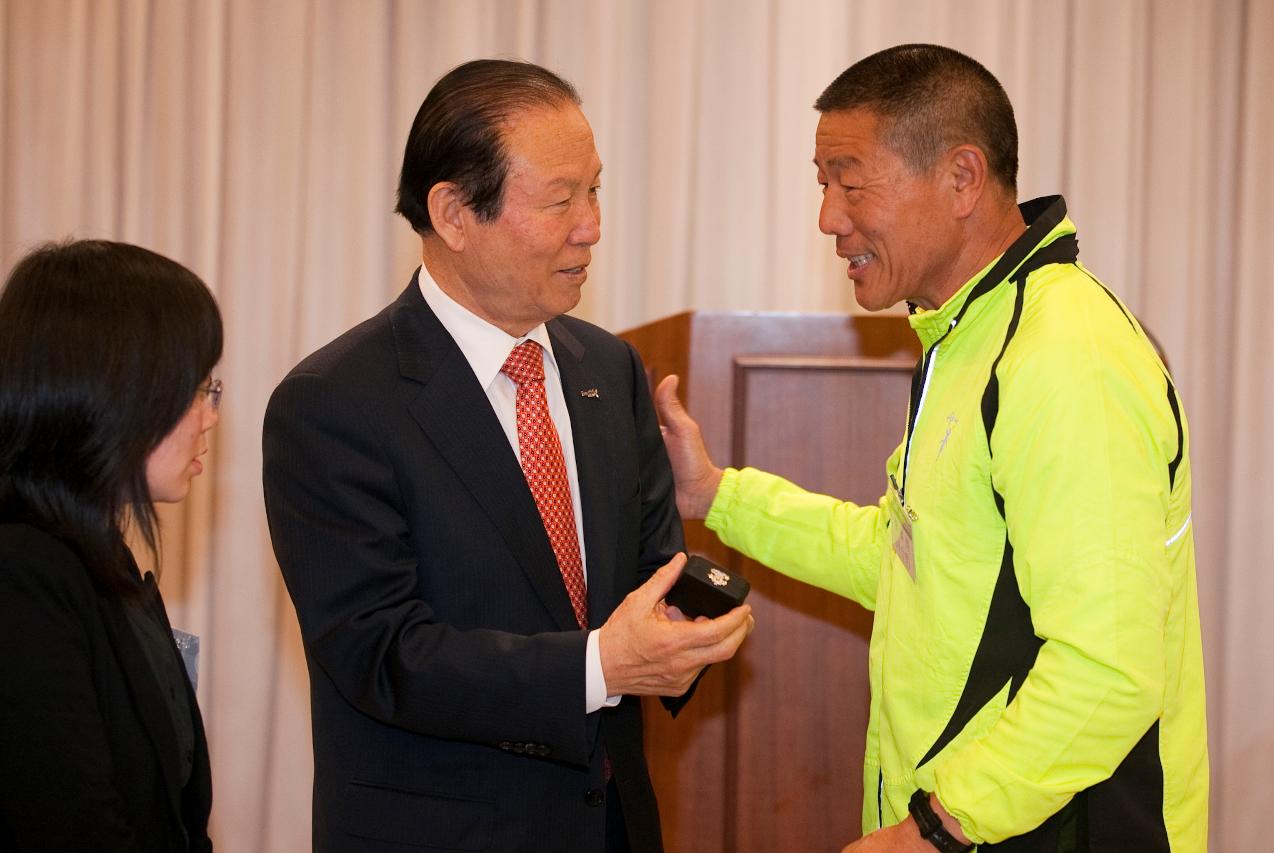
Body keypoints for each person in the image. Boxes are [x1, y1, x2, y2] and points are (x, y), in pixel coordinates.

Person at [654, 44, 1208, 852]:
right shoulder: (964, 337)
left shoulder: (1063, 353)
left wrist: (936, 830)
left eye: (851, 181)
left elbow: (1108, 668)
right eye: (822, 184)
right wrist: (715, 496)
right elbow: (906, 558)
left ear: (960, 178)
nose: (828, 218)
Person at [262, 59, 753, 853]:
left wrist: (681, 632)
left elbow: (650, 573)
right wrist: (601, 664)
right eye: (562, 198)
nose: (591, 224)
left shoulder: (610, 369)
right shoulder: (334, 402)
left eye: (595, 190)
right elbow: (380, 651)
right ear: (454, 212)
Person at [0, 240, 222, 851]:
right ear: (114, 390)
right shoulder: (23, 573)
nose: (209, 416)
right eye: (196, 389)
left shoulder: (100, 557)